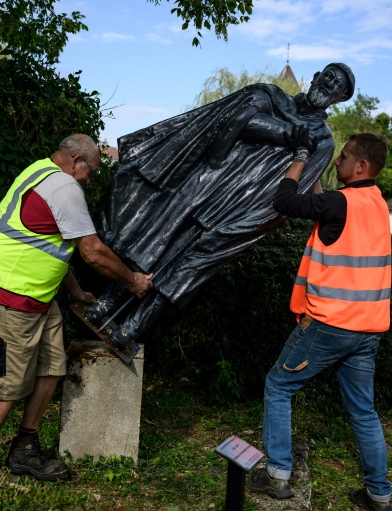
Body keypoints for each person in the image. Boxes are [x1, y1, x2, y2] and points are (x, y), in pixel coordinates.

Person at [83, 63, 356, 355]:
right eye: (328, 76)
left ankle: (131, 329)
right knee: (156, 241)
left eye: (337, 85)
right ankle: (106, 304)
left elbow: (297, 189)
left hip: (241, 207)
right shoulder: (270, 94)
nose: (329, 85)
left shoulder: (323, 141)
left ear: (339, 98)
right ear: (315, 77)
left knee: (187, 268)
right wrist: (290, 133)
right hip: (206, 181)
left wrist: (251, 223)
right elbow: (237, 120)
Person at [0, 134, 153, 480]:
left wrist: (77, 291)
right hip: (7, 290)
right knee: (10, 381)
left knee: (53, 365)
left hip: (37, 293)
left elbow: (48, 244)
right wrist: (133, 281)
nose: (89, 179)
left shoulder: (39, 170)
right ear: (74, 159)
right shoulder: (66, 189)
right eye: (90, 172)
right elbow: (92, 252)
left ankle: (25, 447)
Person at [247, 133, 392, 511]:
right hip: (368, 329)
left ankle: (278, 475)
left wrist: (299, 157)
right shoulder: (375, 202)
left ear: (360, 166)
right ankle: (379, 495)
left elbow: (282, 200)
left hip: (330, 324)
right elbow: (325, 204)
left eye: (343, 157)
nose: (337, 161)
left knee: (278, 386)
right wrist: (316, 171)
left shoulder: (339, 203)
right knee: (363, 410)